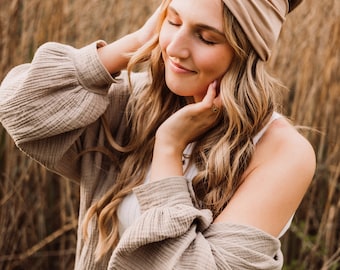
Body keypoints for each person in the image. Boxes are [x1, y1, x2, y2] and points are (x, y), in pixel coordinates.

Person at [0, 0, 315, 269]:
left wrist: (168, 149)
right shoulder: (137, 102)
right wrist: (134, 43)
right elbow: (18, 109)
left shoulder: (282, 153)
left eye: (206, 38)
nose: (175, 49)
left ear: (245, 52)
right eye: (173, 20)